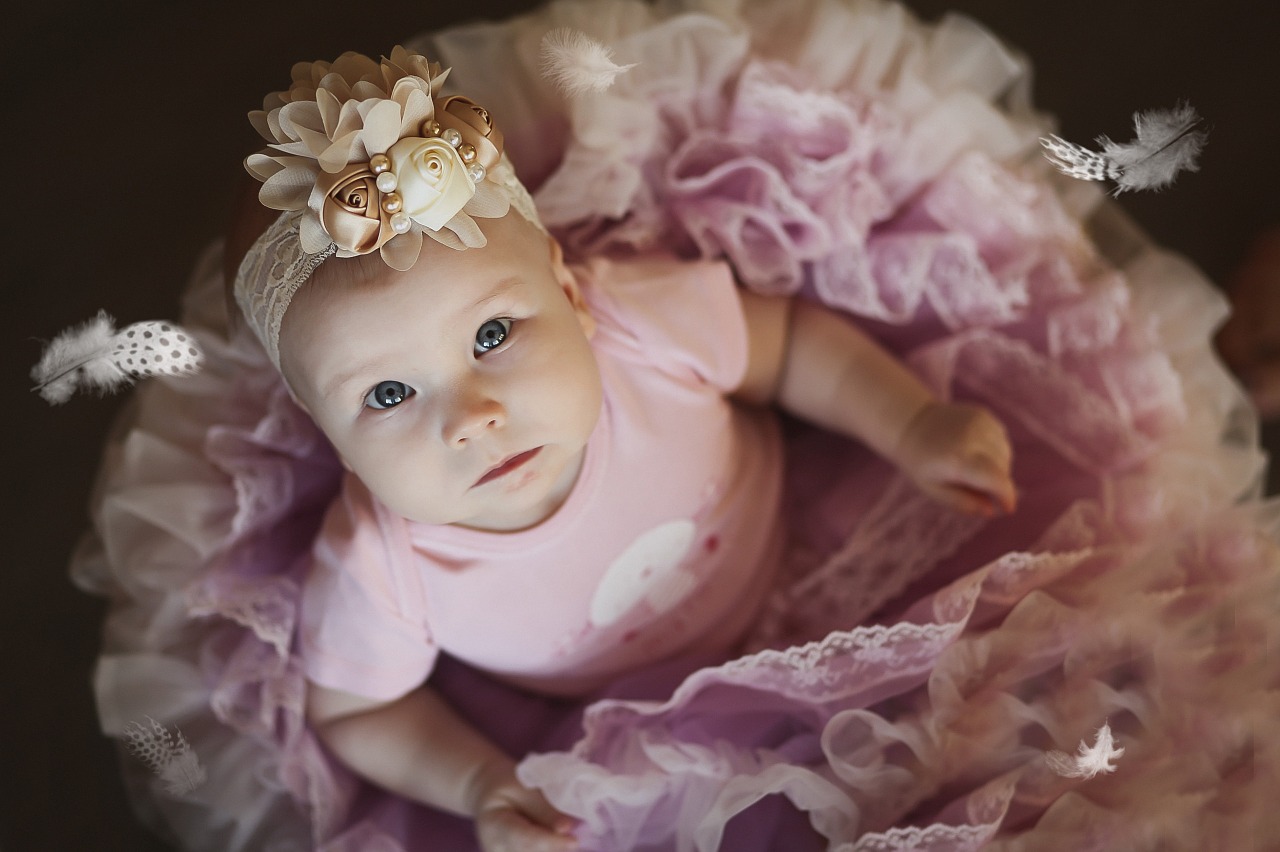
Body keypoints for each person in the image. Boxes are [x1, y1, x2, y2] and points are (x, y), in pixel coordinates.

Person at [54, 1, 1279, 850]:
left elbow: (789, 348)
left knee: (1043, 664)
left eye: (493, 336)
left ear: (570, 295)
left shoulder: (638, 330)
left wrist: (909, 424)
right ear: (324, 437)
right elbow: (358, 714)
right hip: (636, 715)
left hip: (811, 531)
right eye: (386, 397)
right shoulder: (383, 568)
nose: (472, 413)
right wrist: (480, 782)